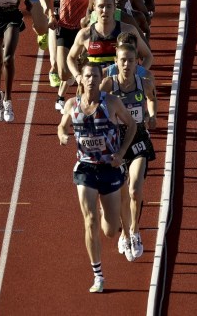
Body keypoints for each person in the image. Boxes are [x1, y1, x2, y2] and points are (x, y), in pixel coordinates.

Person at [57, 61, 137, 293]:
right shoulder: (72, 105)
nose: (91, 80)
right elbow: (62, 126)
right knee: (89, 220)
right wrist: (62, 134)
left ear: (100, 79)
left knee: (110, 231)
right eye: (87, 76)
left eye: (95, 76)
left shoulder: (111, 102)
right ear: (80, 79)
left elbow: (131, 125)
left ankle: (107, 211)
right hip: (85, 169)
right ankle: (98, 275)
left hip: (109, 168)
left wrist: (121, 153)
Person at [100, 42, 156, 261]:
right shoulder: (108, 84)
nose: (126, 64)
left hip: (139, 138)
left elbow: (152, 100)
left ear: (136, 63)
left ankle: (135, 231)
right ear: (116, 61)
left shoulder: (145, 83)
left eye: (131, 60)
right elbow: (91, 102)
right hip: (115, 142)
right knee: (122, 193)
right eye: (122, 60)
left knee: (134, 190)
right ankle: (124, 232)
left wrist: (152, 115)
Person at [40, 0, 99, 112]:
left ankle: (83, 103)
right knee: (63, 72)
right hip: (65, 25)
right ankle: (74, 77)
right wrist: (51, 13)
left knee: (88, 70)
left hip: (87, 28)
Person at [67, 0, 152, 74]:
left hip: (120, 86)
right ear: (94, 7)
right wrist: (78, 76)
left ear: (115, 7)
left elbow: (148, 56)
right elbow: (71, 58)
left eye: (109, 6)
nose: (105, 10)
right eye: (101, 6)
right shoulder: (85, 34)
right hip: (97, 85)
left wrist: (138, 74)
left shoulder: (128, 30)